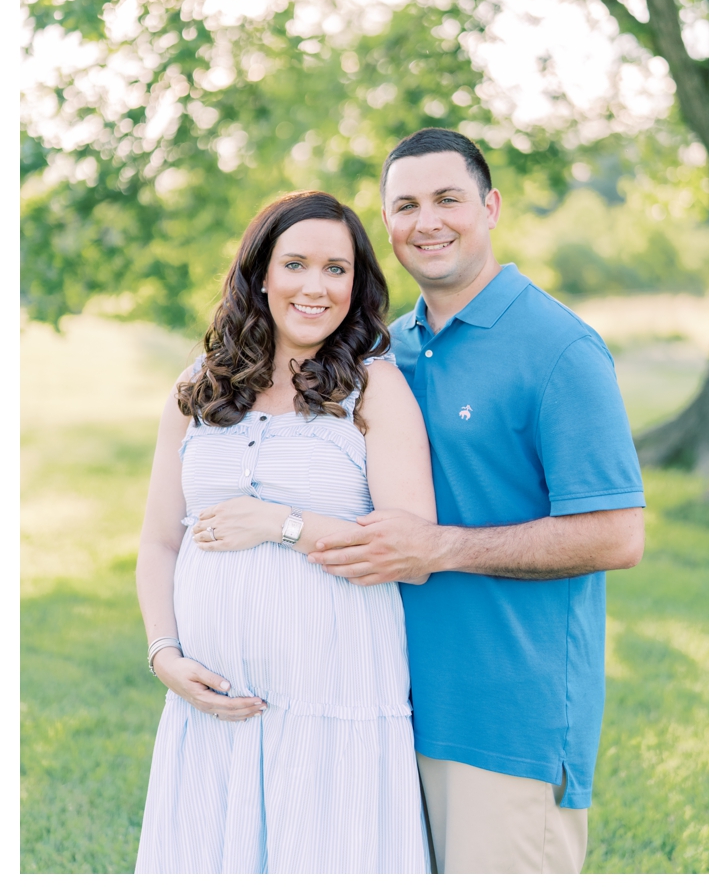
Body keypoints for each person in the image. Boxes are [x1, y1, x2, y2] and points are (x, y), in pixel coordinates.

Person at [306, 128, 646, 873]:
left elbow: (618, 534)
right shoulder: (385, 351)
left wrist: (442, 546)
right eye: (406, 205)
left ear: (490, 207)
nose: (427, 221)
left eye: (447, 199)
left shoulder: (560, 348)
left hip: (507, 726)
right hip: (391, 709)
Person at [133, 191, 436, 872]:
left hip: (336, 701)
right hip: (210, 707)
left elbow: (412, 553)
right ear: (260, 274)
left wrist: (281, 524)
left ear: (356, 285)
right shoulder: (197, 389)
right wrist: (164, 655)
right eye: (295, 263)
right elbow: (158, 541)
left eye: (336, 268)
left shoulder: (373, 388)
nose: (314, 286)